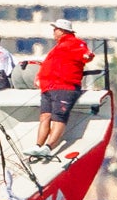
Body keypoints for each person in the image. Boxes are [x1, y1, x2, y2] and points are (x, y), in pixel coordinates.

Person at [34, 18, 92, 156]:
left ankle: (48, 147)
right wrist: (40, 77)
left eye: (56, 29)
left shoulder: (74, 42)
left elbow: (86, 54)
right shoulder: (57, 47)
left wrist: (87, 56)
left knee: (58, 118)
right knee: (45, 116)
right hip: (48, 87)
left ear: (63, 30)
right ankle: (38, 145)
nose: (54, 31)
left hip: (64, 87)